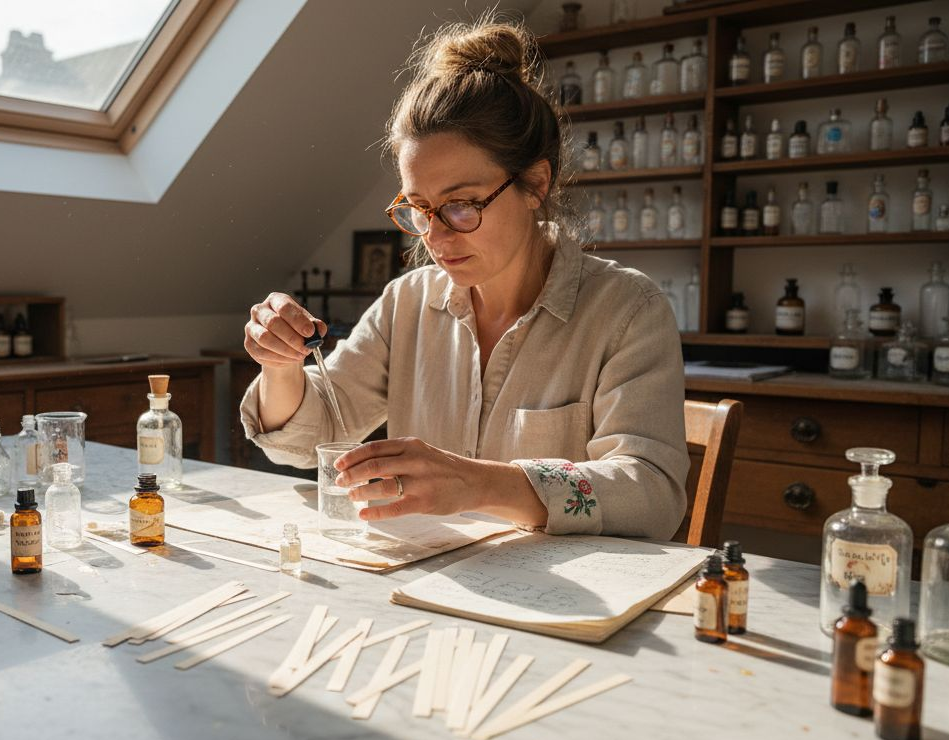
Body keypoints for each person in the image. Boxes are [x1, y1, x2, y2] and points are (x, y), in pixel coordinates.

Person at [239, 17, 688, 539]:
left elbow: (651, 494)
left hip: (562, 589)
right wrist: (281, 366)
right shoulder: (407, 302)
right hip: (426, 576)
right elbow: (311, 436)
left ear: (535, 183)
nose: (435, 235)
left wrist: (479, 484)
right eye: (419, 207)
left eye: (462, 205)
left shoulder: (626, 311)